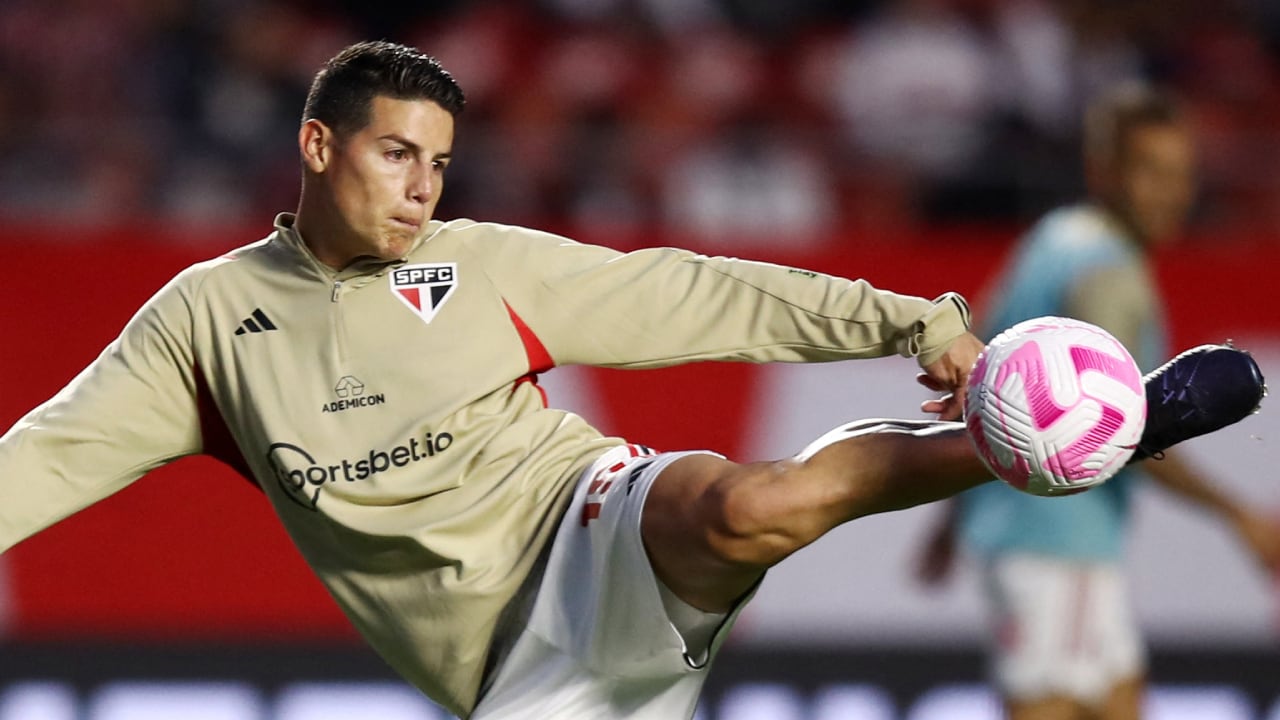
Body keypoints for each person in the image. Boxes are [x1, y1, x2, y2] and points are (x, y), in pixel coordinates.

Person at [0, 43, 1262, 720]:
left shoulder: (475, 265)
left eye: (438, 160)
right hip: (512, 682)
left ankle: (1104, 427)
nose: (422, 186)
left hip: (593, 527)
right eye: (395, 154)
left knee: (746, 506)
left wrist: (907, 319)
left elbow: (690, 290)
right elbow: (46, 460)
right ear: (316, 146)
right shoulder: (205, 329)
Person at [916, 83, 1280, 720]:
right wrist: (1238, 515)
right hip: (1057, 537)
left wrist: (949, 520)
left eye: (1182, 174)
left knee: (1119, 702)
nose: (1171, 192)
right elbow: (1127, 429)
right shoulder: (1107, 275)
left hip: (1026, 531)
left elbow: (980, 386)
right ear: (1104, 171)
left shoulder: (1052, 238)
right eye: (1151, 172)